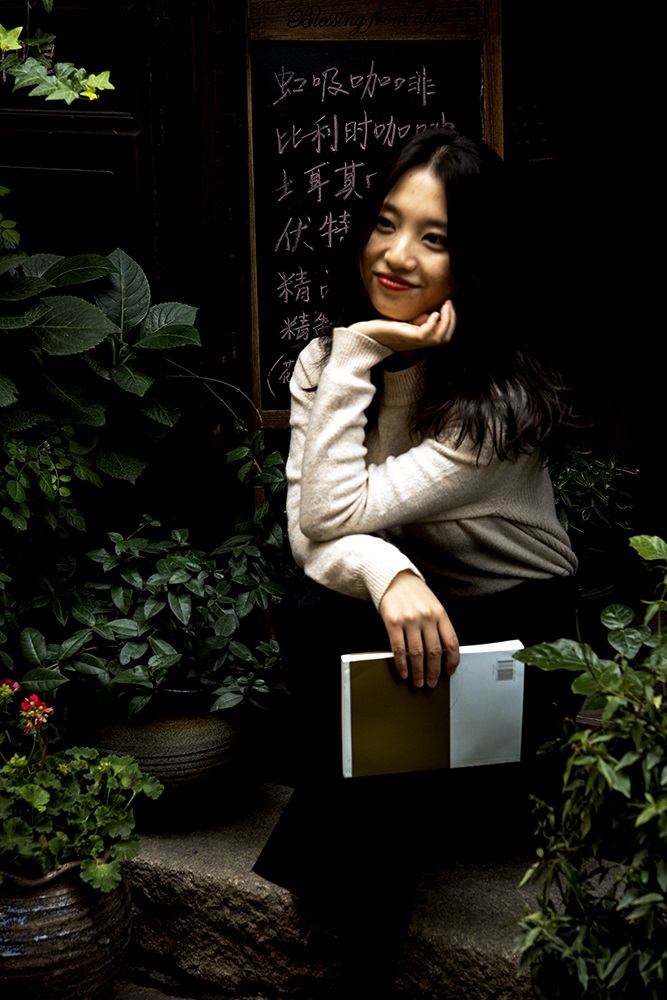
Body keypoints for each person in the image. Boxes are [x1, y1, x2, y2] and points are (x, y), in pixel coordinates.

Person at [253, 127, 579, 998]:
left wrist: (368, 358)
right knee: (326, 607)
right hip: (427, 623)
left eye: (434, 238)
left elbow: (334, 513)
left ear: (474, 262)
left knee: (350, 635)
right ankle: (365, 931)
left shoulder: (496, 404)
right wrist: (390, 574)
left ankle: (349, 937)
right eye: (386, 223)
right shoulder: (331, 360)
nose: (396, 256)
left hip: (520, 645)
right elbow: (313, 533)